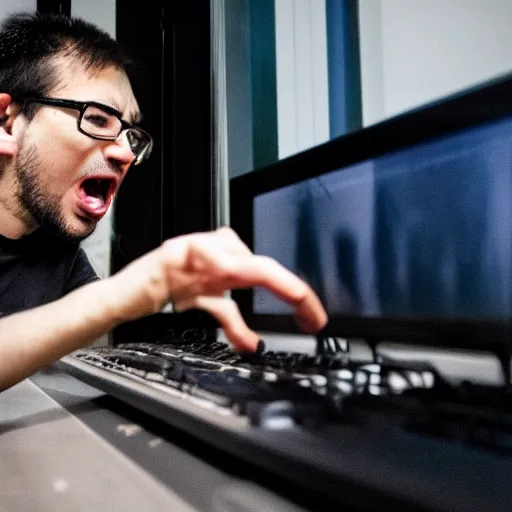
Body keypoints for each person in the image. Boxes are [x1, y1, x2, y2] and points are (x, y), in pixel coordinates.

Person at [0, 12, 327, 390]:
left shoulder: (62, 257)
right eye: (99, 118)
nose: (125, 153)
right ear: (8, 122)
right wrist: (127, 292)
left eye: (130, 131)